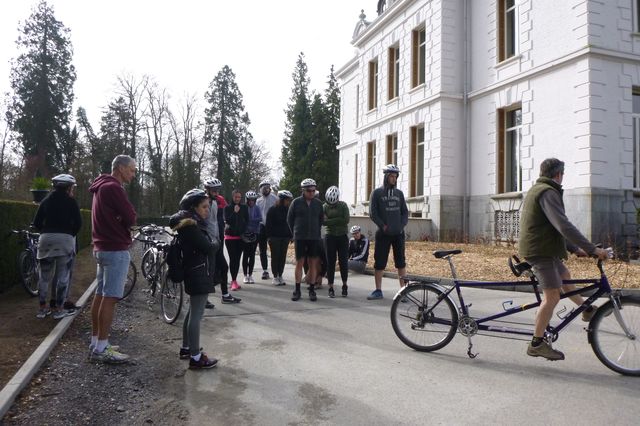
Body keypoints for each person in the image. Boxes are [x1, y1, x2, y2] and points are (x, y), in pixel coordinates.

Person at [519, 158, 609, 361]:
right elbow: (563, 225)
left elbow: (551, 227)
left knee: (565, 276)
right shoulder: (548, 192)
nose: (563, 178)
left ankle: (586, 309)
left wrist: (576, 249)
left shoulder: (541, 189)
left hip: (544, 248)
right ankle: (537, 344)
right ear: (558, 174)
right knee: (552, 297)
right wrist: (592, 249)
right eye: (563, 174)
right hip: (540, 252)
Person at [89, 155, 137, 363]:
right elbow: (131, 216)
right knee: (110, 297)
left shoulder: (100, 187)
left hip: (101, 247)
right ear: (120, 168)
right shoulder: (114, 188)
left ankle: (96, 341)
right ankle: (102, 347)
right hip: (115, 248)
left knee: (100, 294)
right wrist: (123, 219)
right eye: (132, 170)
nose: (133, 175)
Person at [170, 189, 218, 369]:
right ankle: (196, 357)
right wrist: (215, 243)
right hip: (198, 272)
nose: (207, 210)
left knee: (192, 312)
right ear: (193, 208)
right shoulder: (191, 226)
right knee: (196, 316)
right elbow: (208, 247)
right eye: (204, 207)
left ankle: (186, 348)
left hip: (195, 271)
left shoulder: (189, 224)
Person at [32, 174, 82, 319]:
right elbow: (78, 223)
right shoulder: (71, 202)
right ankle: (59, 309)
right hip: (65, 240)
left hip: (46, 239)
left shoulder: (45, 201)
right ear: (69, 187)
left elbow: (37, 222)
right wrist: (69, 234)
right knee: (63, 276)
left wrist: (46, 232)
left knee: (44, 276)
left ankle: (42, 309)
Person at [368, 164, 408, 300]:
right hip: (383, 234)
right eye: (391, 176)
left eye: (396, 176)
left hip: (398, 234)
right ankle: (378, 290)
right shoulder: (377, 193)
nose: (394, 179)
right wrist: (382, 226)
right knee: (379, 262)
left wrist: (401, 226)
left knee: (401, 262)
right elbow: (373, 213)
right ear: (386, 177)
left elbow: (405, 212)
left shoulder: (399, 194)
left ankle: (403, 291)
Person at [203, 178, 240, 304]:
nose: (216, 192)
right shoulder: (204, 203)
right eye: (213, 190)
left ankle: (225, 295)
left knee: (223, 267)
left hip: (217, 241)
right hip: (207, 242)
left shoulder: (214, 203)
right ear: (207, 190)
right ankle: (204, 298)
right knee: (209, 269)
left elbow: (215, 222)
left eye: (217, 190)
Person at [287, 178, 324, 302]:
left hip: (314, 238)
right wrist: (294, 233)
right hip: (300, 237)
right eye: (309, 191)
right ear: (303, 190)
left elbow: (320, 220)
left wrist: (317, 233)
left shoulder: (318, 204)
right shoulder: (296, 203)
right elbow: (289, 219)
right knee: (300, 263)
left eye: (314, 190)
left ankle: (312, 289)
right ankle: (297, 290)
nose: (312, 193)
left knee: (313, 263)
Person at [323, 186, 350, 298]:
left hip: (342, 236)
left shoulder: (343, 205)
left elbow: (346, 220)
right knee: (330, 262)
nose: (331, 206)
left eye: (333, 204)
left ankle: (344, 285)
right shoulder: (324, 207)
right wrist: (338, 220)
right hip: (330, 236)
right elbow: (323, 222)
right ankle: (330, 287)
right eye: (330, 204)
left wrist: (330, 221)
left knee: (343, 262)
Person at [265, 190, 293, 285]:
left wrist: (291, 235)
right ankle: (275, 276)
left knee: (282, 257)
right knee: (275, 257)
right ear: (281, 200)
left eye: (289, 200)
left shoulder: (288, 210)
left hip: (285, 237)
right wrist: (269, 237)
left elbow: (290, 223)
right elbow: (268, 224)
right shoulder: (272, 209)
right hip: (274, 237)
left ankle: (280, 275)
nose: (288, 202)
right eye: (287, 200)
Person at [224, 190, 249, 291]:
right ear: (232, 197)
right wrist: (235, 212)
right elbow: (227, 220)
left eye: (239, 197)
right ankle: (233, 281)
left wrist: (243, 229)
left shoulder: (244, 207)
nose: (237, 199)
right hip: (230, 237)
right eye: (235, 197)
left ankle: (234, 280)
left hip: (240, 238)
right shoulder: (227, 208)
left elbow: (247, 220)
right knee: (233, 259)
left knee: (237, 259)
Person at [256, 180, 278, 280]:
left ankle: (276, 271)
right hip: (261, 226)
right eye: (263, 188)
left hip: (272, 227)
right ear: (260, 189)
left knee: (274, 250)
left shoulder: (275, 198)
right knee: (262, 250)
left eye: (267, 187)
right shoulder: (258, 200)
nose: (266, 189)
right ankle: (265, 270)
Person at [242, 191, 262, 284]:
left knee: (252, 254)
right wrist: (251, 221)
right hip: (245, 234)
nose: (251, 202)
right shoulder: (244, 208)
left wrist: (250, 220)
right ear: (247, 200)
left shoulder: (257, 208)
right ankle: (245, 275)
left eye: (253, 200)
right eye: (250, 200)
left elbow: (260, 218)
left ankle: (250, 275)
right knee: (246, 254)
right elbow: (243, 220)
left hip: (255, 233)